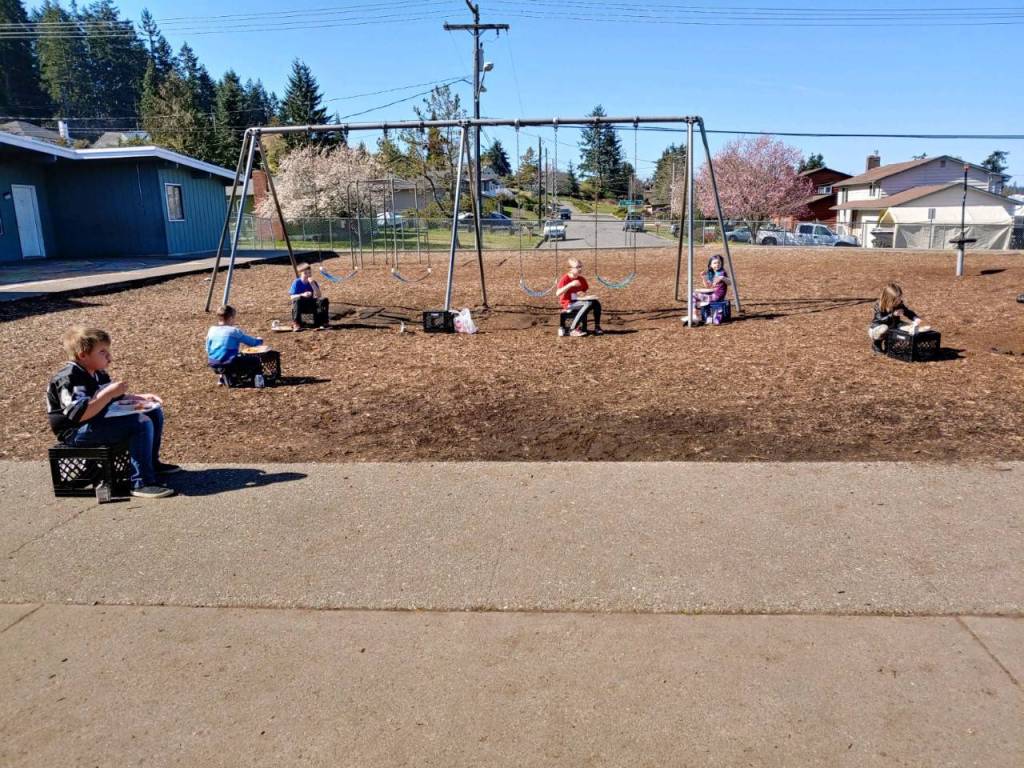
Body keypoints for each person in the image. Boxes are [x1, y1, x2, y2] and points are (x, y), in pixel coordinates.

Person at [46, 326, 178, 499]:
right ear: (83, 355)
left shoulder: (97, 372)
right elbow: (79, 414)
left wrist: (139, 398)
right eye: (102, 352)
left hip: (95, 422)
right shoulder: (70, 378)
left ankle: (151, 464)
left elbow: (111, 398)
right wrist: (108, 393)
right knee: (140, 422)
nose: (109, 357)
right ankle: (141, 482)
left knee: (153, 412)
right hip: (75, 432)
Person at [206, 305, 267, 384]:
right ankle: (257, 381)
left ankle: (222, 378)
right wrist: (259, 340)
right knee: (255, 360)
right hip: (230, 364)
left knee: (222, 354)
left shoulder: (212, 330)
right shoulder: (234, 331)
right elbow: (252, 343)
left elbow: (207, 349)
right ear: (231, 318)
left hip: (213, 364)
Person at [868, 282, 922, 354]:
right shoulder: (879, 306)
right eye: (897, 300)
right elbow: (879, 320)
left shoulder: (899, 304)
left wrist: (915, 318)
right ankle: (876, 344)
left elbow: (907, 312)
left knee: (908, 327)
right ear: (889, 299)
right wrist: (893, 315)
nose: (899, 301)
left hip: (892, 327)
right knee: (884, 328)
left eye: (900, 299)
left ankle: (889, 344)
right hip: (876, 329)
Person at [555, 258, 603, 337]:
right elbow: (558, 293)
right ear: (570, 269)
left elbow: (582, 293)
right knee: (587, 303)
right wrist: (570, 284)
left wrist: (585, 295)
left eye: (580, 266)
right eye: (577, 267)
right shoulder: (565, 279)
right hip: (568, 303)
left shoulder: (582, 279)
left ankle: (597, 327)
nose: (580, 269)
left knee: (595, 303)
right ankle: (572, 329)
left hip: (578, 301)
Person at [684, 255, 730, 325]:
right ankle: (713, 316)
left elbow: (729, 283)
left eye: (719, 263)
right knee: (693, 295)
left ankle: (695, 315)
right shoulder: (712, 273)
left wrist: (722, 278)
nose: (717, 264)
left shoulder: (721, 272)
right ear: (710, 265)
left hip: (717, 296)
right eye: (715, 263)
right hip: (713, 294)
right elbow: (708, 286)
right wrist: (704, 278)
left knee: (692, 295)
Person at [289, 263, 329, 331]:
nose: (308, 275)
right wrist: (302, 294)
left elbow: (319, 295)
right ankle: (296, 323)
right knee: (297, 299)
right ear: (301, 273)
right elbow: (292, 296)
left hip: (311, 305)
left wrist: (313, 284)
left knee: (324, 300)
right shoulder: (297, 282)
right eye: (305, 273)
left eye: (309, 273)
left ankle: (324, 322)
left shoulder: (313, 282)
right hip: (300, 306)